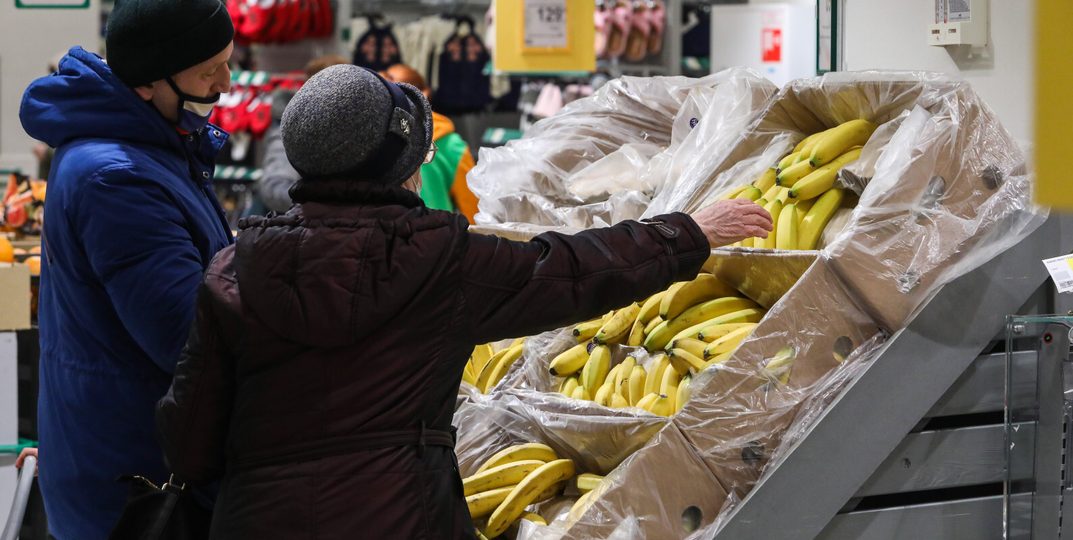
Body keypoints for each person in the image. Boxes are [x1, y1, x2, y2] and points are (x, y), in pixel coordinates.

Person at [156, 65, 772, 539]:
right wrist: (687, 232)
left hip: (257, 521)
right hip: (400, 517)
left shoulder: (234, 269)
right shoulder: (439, 261)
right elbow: (575, 268)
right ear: (401, 168)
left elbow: (189, 439)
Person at [18, 0, 235, 536]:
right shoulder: (117, 177)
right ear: (146, 82)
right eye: (209, 70)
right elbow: (187, 336)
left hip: (135, 457)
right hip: (132, 480)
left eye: (227, 63)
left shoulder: (155, 147)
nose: (225, 84)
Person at [381, 63, 481, 223]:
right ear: (424, 95)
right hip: (436, 234)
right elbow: (473, 209)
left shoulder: (369, 137)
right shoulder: (451, 145)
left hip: (382, 234)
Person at [257, 54, 349, 213]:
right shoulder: (290, 129)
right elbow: (274, 189)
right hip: (288, 229)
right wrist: (325, 205)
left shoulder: (341, 126)